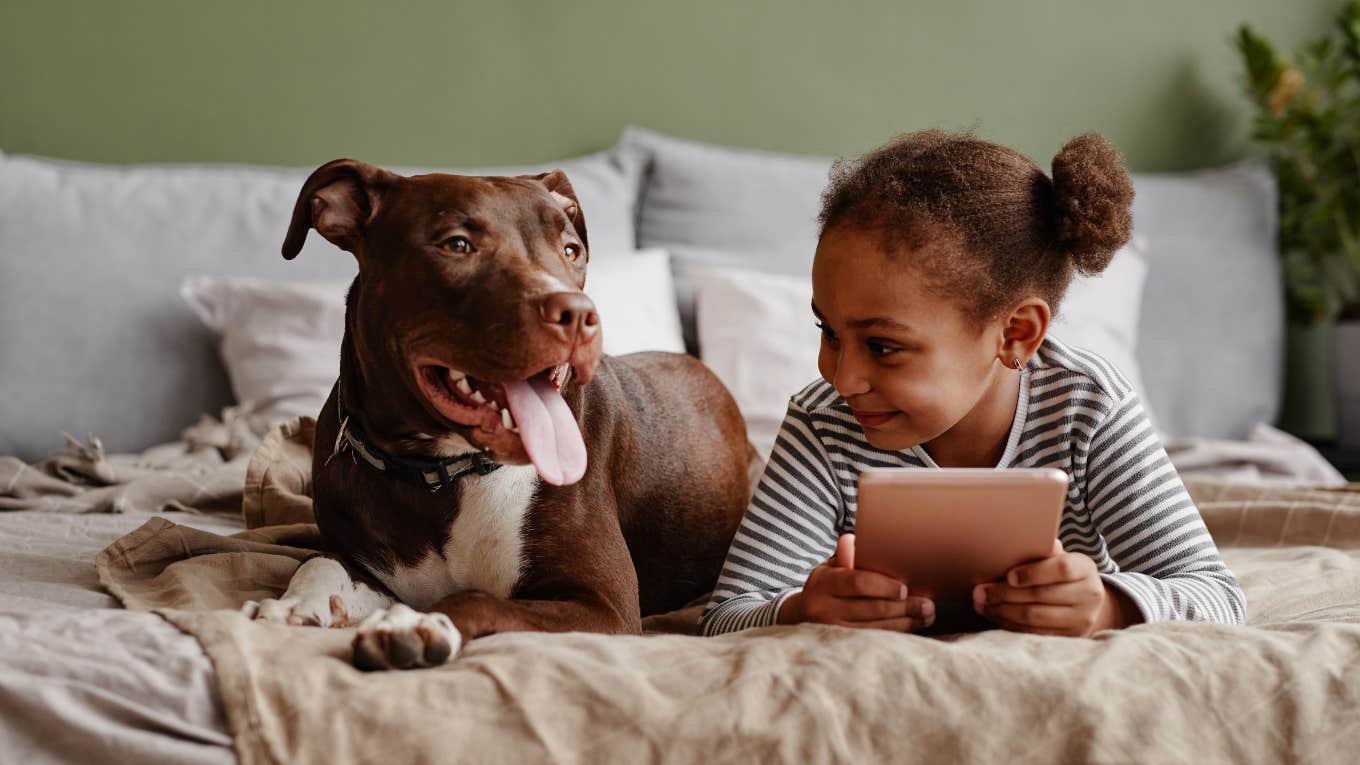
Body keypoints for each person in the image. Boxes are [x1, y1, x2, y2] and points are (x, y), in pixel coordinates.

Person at [700, 130, 1245, 638]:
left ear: (1016, 333)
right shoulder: (822, 426)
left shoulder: (1088, 408)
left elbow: (1217, 594)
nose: (842, 379)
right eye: (829, 332)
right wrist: (801, 609)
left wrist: (1109, 605)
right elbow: (725, 615)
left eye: (884, 347)